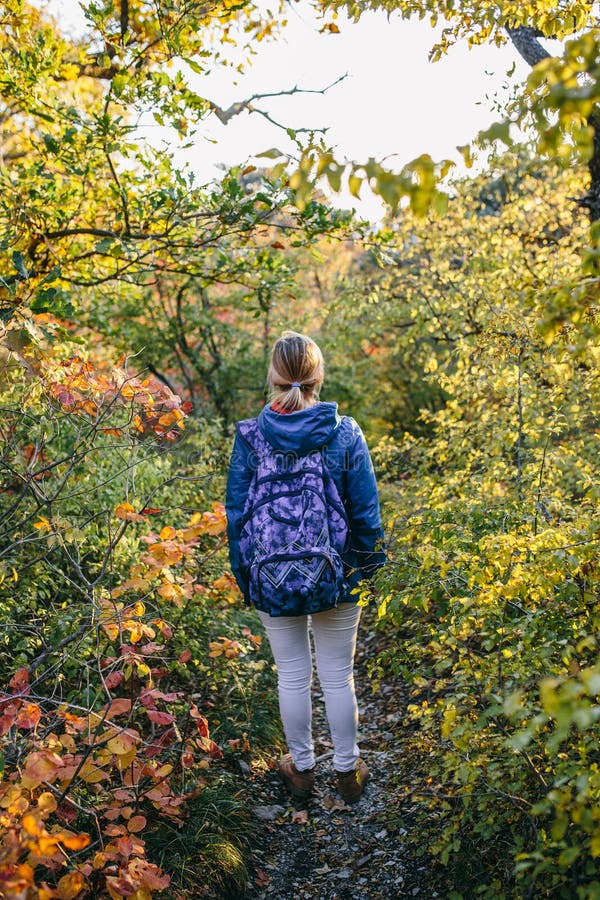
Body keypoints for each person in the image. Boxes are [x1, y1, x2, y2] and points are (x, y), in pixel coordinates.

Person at [225, 330, 385, 804]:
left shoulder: (250, 437)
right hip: (338, 574)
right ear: (319, 378)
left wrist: (246, 577)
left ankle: (301, 769)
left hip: (270, 576)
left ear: (272, 377)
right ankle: (347, 770)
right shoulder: (345, 432)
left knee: (291, 673)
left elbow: (236, 516)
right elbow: (366, 515)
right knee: (338, 675)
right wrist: (370, 572)